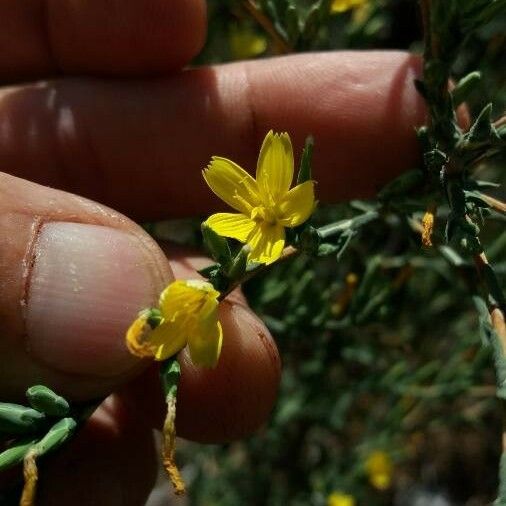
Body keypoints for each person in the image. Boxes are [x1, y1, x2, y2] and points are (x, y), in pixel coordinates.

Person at [0, 0, 425, 503]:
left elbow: (278, 218)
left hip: (262, 236)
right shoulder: (209, 304)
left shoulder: (278, 216)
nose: (186, 299)